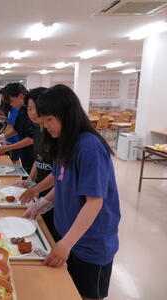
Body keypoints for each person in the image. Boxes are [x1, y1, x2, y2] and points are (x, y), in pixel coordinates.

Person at [23, 84, 120, 300]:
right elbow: (61, 183)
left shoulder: (89, 147)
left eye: (50, 119)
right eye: (43, 119)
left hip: (90, 244)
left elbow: (94, 202)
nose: (45, 125)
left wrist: (66, 243)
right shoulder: (65, 142)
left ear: (67, 115)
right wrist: (38, 207)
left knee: (86, 295)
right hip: (70, 236)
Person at [14, 87, 57, 239]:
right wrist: (29, 181)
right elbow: (38, 160)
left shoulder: (55, 134)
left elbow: (58, 176)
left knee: (49, 233)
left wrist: (35, 190)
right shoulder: (39, 131)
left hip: (52, 196)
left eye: (35, 108)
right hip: (42, 194)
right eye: (29, 108)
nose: (32, 113)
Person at [0, 83, 40, 174]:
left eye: (12, 101)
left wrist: (8, 147)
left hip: (33, 153)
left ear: (20, 96)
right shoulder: (21, 110)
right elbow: (16, 129)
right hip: (24, 154)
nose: (11, 105)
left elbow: (31, 138)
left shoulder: (31, 113)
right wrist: (2, 136)